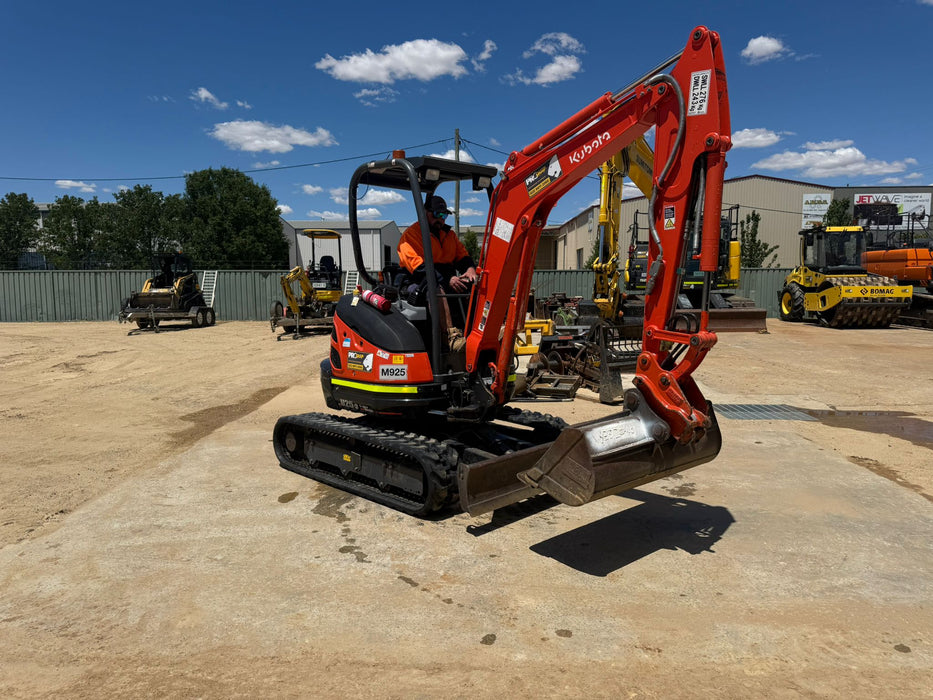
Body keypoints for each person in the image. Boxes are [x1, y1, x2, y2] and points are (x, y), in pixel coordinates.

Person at [397, 196, 477, 352]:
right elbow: (420, 268)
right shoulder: (411, 235)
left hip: (445, 277)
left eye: (444, 215)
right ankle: (450, 337)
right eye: (436, 214)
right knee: (435, 288)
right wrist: (448, 280)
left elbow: (462, 256)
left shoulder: (449, 235)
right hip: (418, 280)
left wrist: (470, 269)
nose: (440, 219)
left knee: (473, 285)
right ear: (425, 213)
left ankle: (475, 332)